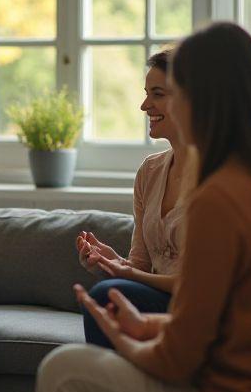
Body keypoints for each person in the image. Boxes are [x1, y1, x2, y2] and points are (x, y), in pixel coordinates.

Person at [36, 22, 251, 392]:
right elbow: (233, 323)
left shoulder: (219, 196)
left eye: (175, 92)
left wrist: (121, 341)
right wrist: (146, 326)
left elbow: (177, 362)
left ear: (208, 100)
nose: (159, 107)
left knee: (62, 372)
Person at [77, 50, 185, 348]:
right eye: (146, 93)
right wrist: (113, 262)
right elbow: (141, 265)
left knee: (106, 294)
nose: (144, 105)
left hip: (202, 306)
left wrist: (126, 273)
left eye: (157, 94)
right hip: (162, 298)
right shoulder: (149, 172)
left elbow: (201, 284)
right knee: (109, 293)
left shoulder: (219, 180)